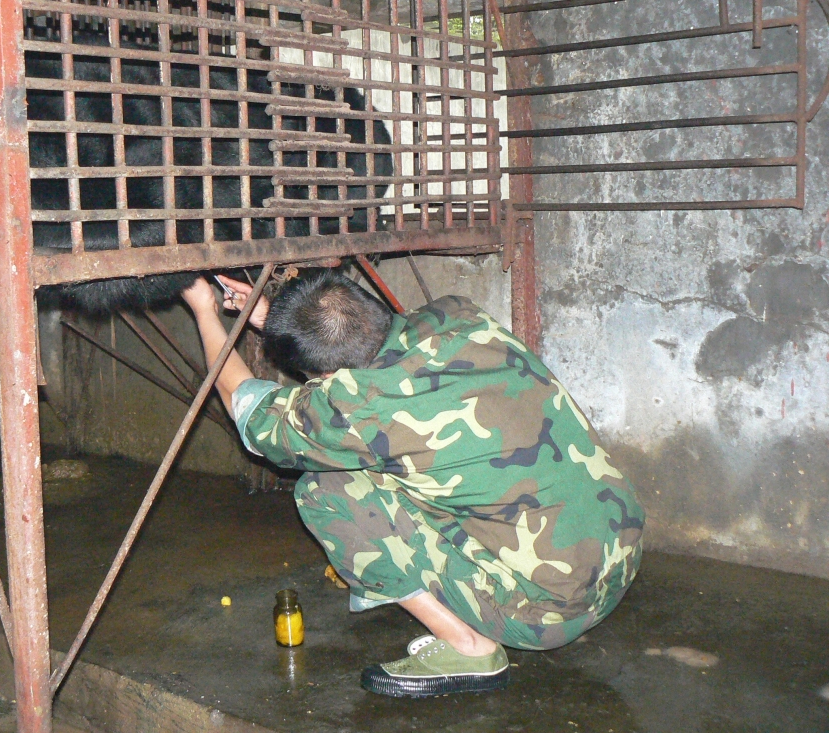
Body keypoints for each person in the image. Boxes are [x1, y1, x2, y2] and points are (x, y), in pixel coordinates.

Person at [181, 270, 644, 698]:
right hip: (619, 552)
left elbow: (249, 409)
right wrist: (279, 322)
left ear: (326, 377)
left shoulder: (357, 408)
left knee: (325, 492)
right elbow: (354, 352)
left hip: (548, 613)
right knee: (397, 462)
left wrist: (205, 310)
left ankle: (469, 650)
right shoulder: (458, 316)